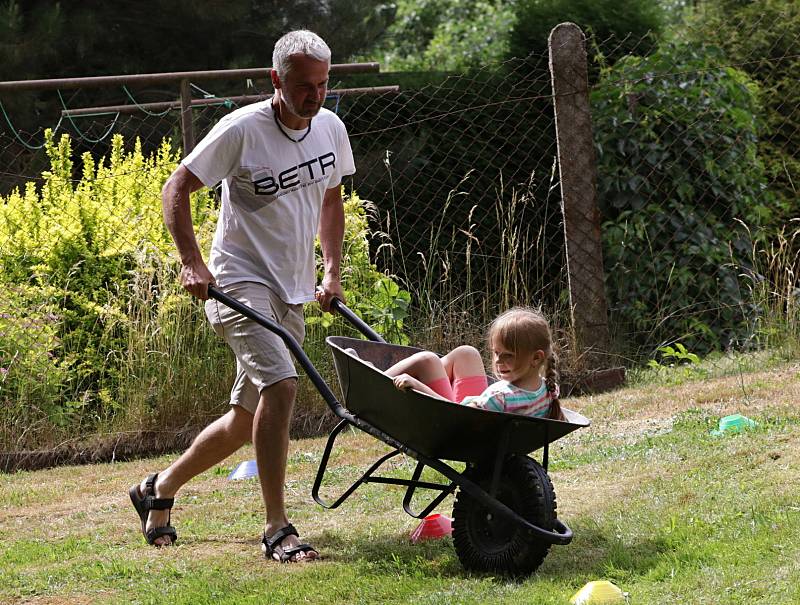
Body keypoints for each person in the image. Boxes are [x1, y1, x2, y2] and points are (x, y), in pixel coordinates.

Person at [128, 30, 355, 563]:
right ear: (276, 80)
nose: (314, 97)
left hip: (291, 291)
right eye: (303, 86)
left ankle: (157, 488)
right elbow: (175, 188)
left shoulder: (330, 128)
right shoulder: (242, 130)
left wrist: (332, 272)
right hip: (237, 285)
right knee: (281, 385)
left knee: (243, 420)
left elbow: (331, 201)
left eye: (322, 84)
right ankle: (277, 527)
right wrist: (192, 264)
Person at [384, 308, 566, 420]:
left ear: (536, 358)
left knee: (427, 360)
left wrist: (417, 385)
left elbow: (456, 418)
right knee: (466, 353)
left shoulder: (499, 397)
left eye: (508, 356)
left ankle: (370, 375)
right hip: (476, 416)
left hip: (454, 427)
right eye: (496, 353)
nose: (498, 361)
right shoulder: (548, 390)